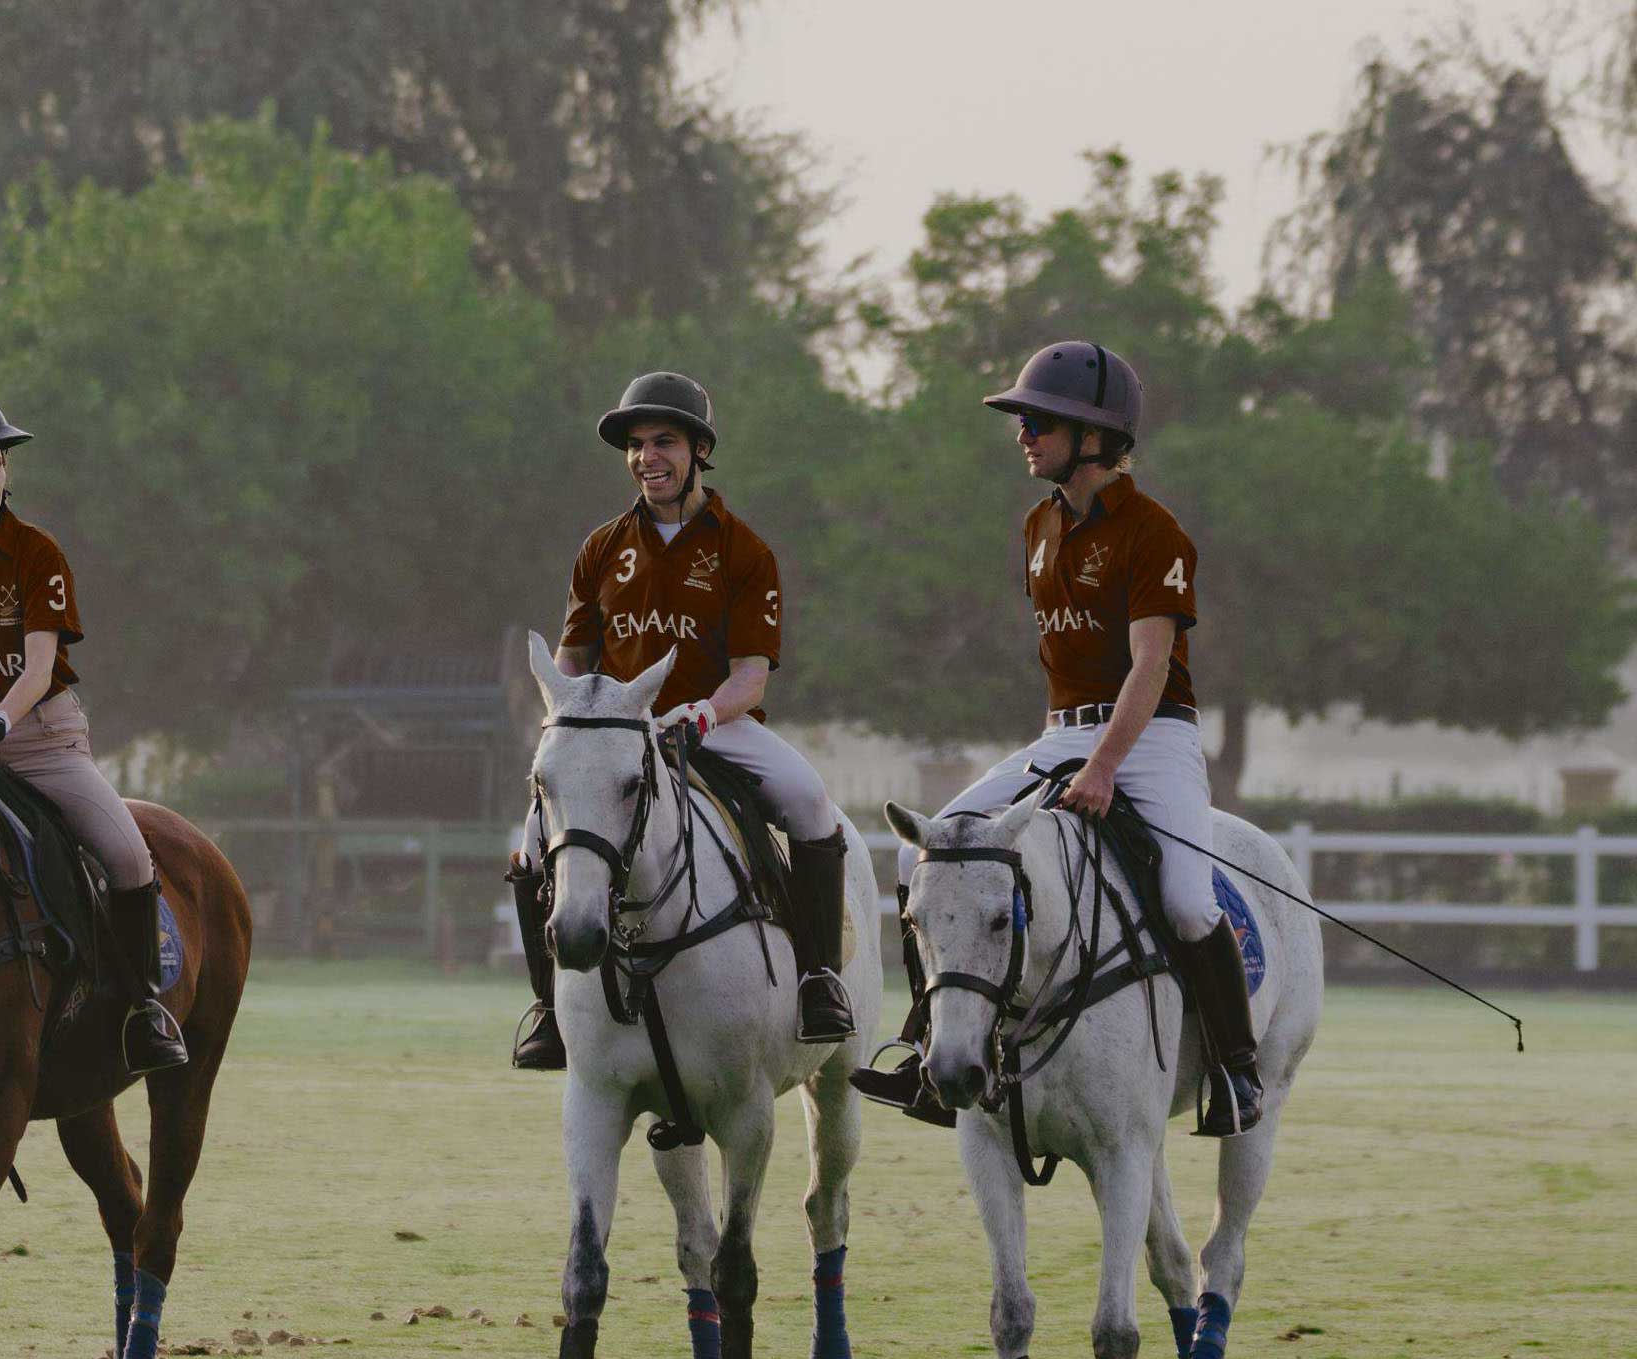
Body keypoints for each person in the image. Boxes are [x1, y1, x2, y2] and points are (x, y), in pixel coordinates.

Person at [850, 341, 1262, 1135]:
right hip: (1057, 738)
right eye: (1023, 422)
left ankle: (1235, 1072)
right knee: (918, 855)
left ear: (1095, 436)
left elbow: (1152, 664)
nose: (1023, 435)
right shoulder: (1038, 524)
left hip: (1152, 739)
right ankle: (931, 1052)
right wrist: (1074, 751)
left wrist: (1106, 764)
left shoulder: (1154, 531)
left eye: (1039, 421)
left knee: (1184, 900)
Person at [510, 371, 858, 1070]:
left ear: (699, 449)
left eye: (663, 441)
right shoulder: (603, 547)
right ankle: (550, 1007)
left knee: (811, 803)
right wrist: (572, 720)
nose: (647, 458)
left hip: (715, 724)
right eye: (636, 445)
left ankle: (820, 980)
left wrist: (704, 711)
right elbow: (574, 658)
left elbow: (751, 675)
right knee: (527, 847)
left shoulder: (743, 549)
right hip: (615, 734)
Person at [0, 389, 188, 1075]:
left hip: (43, 742)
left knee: (131, 860)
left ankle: (143, 1009)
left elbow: (41, 663)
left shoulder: (35, 550)